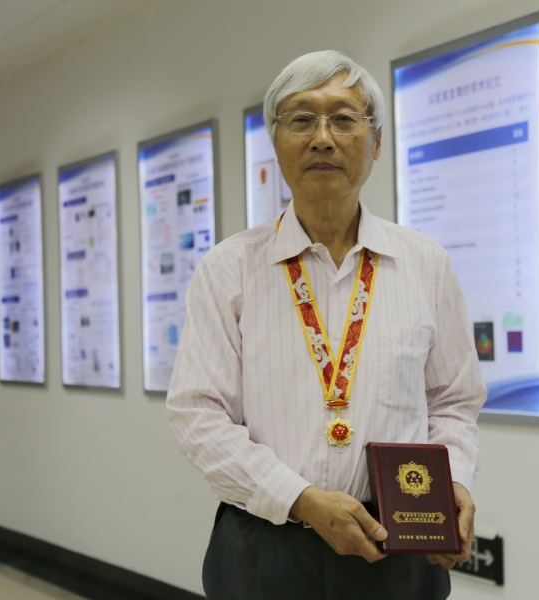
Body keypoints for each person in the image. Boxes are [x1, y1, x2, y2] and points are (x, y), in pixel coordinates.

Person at [166, 49, 486, 600]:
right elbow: (198, 415)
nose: (322, 138)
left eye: (343, 118)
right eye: (301, 119)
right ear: (275, 142)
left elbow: (454, 401)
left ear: (376, 142)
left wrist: (453, 479)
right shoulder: (228, 269)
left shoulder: (425, 264)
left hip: (398, 546)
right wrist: (302, 499)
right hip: (265, 545)